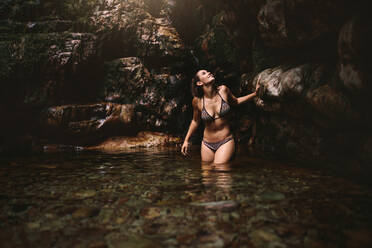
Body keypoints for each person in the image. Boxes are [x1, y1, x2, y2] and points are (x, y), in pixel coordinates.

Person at [181, 69, 260, 164]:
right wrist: (186, 140)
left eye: (208, 71)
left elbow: (236, 101)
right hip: (206, 144)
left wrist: (255, 94)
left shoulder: (223, 90)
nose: (208, 73)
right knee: (207, 176)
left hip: (225, 141)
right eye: (204, 73)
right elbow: (195, 121)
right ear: (199, 83)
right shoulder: (197, 100)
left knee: (220, 170)